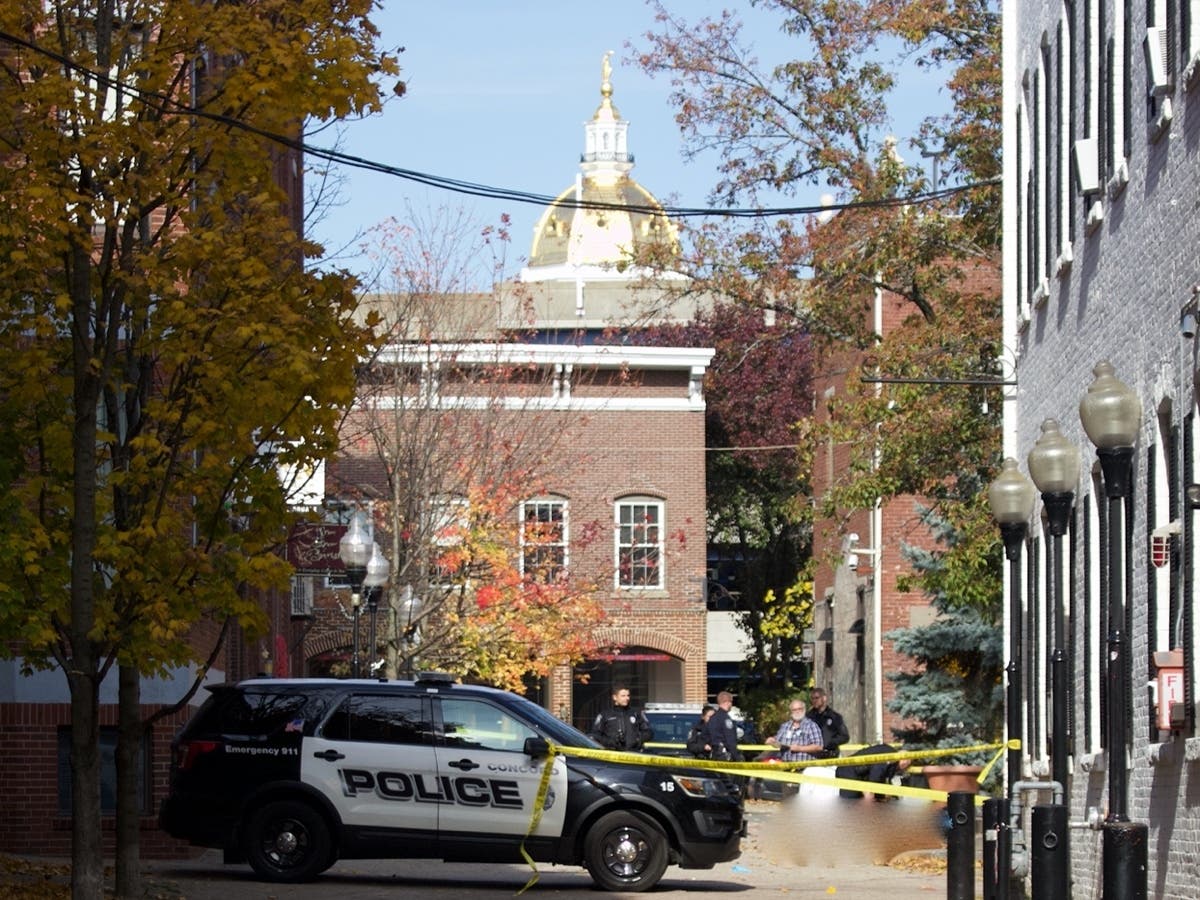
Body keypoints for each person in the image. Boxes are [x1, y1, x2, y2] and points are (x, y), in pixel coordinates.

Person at [589, 685, 654, 751]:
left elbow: (649, 732)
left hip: (633, 754)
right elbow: (595, 735)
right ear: (614, 697)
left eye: (628, 695)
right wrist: (611, 742)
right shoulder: (605, 715)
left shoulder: (636, 713)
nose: (627, 698)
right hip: (612, 755)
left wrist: (637, 739)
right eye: (623, 696)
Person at [836, 743, 911, 800]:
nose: (905, 767)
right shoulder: (891, 757)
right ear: (903, 760)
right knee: (851, 805)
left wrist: (883, 795)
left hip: (852, 771)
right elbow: (876, 775)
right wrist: (870, 792)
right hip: (849, 772)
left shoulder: (891, 758)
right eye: (907, 763)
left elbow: (880, 778)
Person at [807, 687, 850, 758]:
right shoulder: (808, 717)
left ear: (824, 698)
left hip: (831, 755)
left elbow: (845, 736)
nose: (814, 701)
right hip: (813, 757)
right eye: (812, 698)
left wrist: (829, 743)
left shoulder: (835, 717)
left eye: (817, 698)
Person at [704, 691, 743, 761]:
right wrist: (737, 757)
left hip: (713, 755)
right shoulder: (726, 719)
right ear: (727, 702)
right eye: (731, 702)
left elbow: (706, 736)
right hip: (725, 756)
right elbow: (730, 740)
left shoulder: (712, 718)